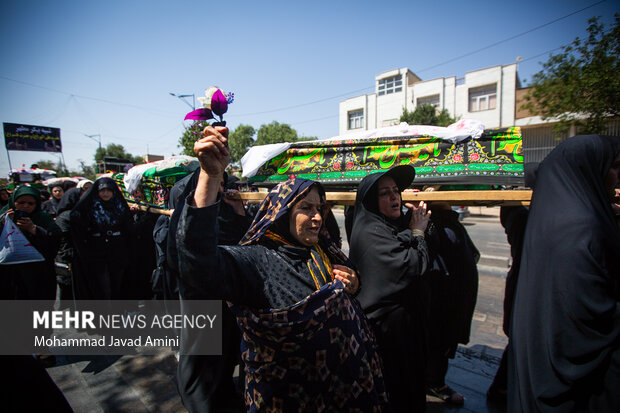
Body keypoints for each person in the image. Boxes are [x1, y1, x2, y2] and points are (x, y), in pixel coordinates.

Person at [175, 125, 388, 412]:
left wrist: (353, 283)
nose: (316, 218)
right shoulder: (255, 261)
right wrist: (210, 176)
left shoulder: (324, 252)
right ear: (282, 213)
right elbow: (198, 265)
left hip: (340, 394)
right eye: (306, 208)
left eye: (320, 208)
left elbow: (351, 288)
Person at [508, 135, 620, 413]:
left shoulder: (557, 216)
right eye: (614, 166)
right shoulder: (580, 229)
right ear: (589, 169)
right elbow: (586, 317)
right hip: (574, 380)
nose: (617, 176)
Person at [349, 165, 431, 412]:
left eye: (396, 191)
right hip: (387, 338)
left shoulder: (387, 226)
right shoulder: (371, 233)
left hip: (405, 336)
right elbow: (414, 266)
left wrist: (416, 223)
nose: (395, 197)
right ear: (372, 202)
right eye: (385, 193)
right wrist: (417, 232)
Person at [423, 201, 479, 405]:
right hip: (442, 298)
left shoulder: (448, 221)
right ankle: (433, 383)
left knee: (444, 341)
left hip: (454, 295)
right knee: (439, 341)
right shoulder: (433, 223)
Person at [70, 177, 133, 300]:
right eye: (102, 190)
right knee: (102, 287)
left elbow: (128, 228)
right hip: (97, 254)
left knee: (117, 285)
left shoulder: (120, 206)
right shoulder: (89, 208)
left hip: (117, 253)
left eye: (109, 190)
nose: (105, 193)